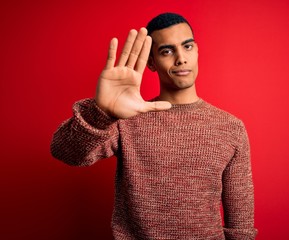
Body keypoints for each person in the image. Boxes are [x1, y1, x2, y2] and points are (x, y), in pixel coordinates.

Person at [51, 12, 258, 239]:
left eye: (187, 47)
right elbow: (65, 152)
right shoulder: (127, 119)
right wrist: (102, 112)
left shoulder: (230, 127)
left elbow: (241, 224)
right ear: (151, 61)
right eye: (167, 51)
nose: (181, 58)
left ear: (197, 50)